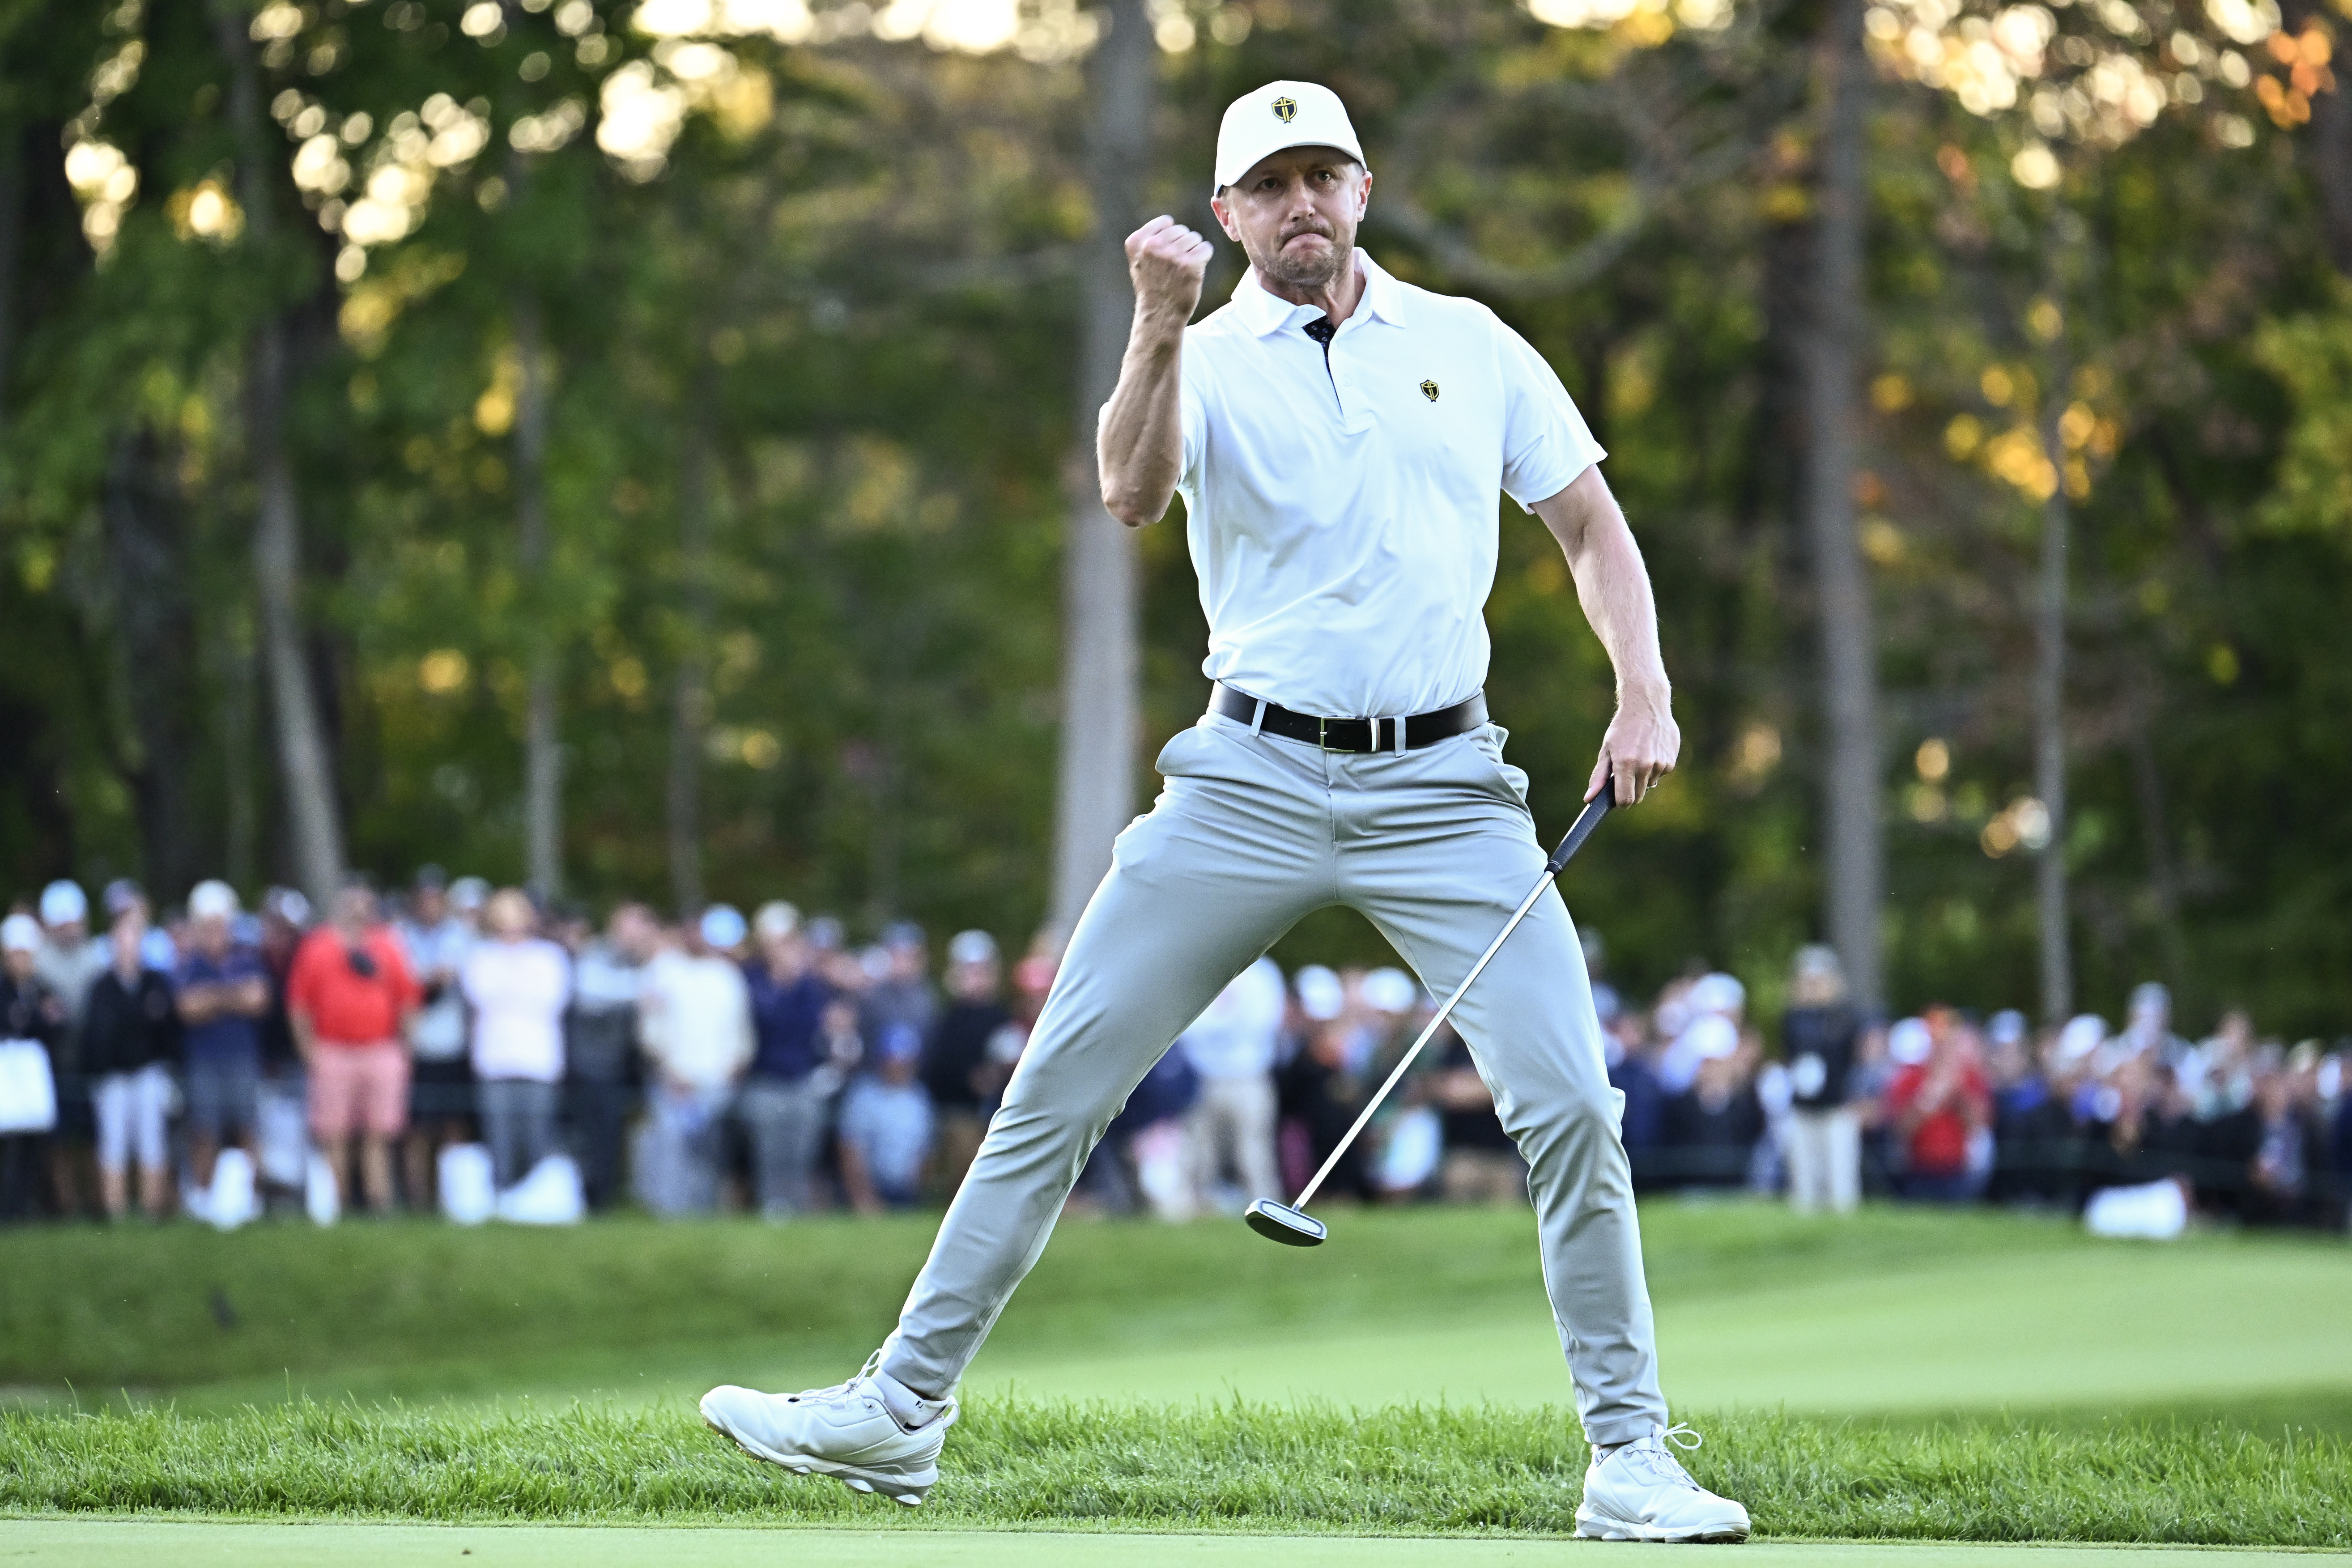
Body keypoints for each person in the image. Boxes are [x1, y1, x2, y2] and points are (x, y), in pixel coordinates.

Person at [699, 80, 1748, 1541]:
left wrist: (1641, 689)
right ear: (1225, 215)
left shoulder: (1469, 343)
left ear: (1361, 190)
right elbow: (1129, 492)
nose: (1299, 203)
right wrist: (1149, 321)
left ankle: (1628, 1456)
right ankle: (898, 1409)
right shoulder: (1188, 357)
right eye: (1268, 185)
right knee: (1052, 1087)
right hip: (1243, 780)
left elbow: (1586, 525)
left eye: (1321, 176)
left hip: (1445, 789)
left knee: (1573, 1101)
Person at [285, 883, 421, 1214]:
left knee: (379, 1133)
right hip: (332, 1051)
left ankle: (379, 1204)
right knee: (334, 1134)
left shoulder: (389, 946)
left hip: (380, 1050)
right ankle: (337, 1204)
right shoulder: (317, 947)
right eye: (352, 904)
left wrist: (404, 1049)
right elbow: (299, 1005)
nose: (359, 912)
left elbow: (408, 1000)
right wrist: (309, 1052)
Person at [634, 905, 753, 1215]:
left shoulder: (726, 975)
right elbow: (651, 1029)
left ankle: (706, 1210)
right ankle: (670, 1212)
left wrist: (735, 1065)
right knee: (673, 1149)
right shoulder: (664, 971)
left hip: (717, 1081)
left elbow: (740, 1029)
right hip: (676, 1080)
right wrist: (668, 1070)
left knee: (710, 1153)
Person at [460, 888, 571, 1189]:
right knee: (499, 1136)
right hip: (495, 1061)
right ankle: (501, 1198)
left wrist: (508, 993)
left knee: (536, 1135)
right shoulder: (481, 956)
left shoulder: (550, 957)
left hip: (538, 1061)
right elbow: (482, 996)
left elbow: (550, 999)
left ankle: (531, 1197)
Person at [740, 901, 841, 1218]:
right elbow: (764, 1022)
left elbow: (812, 1028)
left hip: (801, 1080)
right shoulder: (752, 979)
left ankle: (795, 1207)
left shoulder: (809, 985)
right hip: (764, 1079)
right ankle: (773, 1206)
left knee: (802, 1146)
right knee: (771, 1145)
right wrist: (784, 984)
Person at [81, 900, 179, 1219]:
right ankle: (117, 1214)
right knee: (114, 1146)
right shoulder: (102, 987)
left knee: (153, 1143)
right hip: (112, 1079)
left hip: (149, 1073)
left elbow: (166, 1030)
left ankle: (151, 1212)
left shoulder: (156, 983)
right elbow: (97, 1036)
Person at [172, 880, 271, 1193]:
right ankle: (204, 1200)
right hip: (204, 1059)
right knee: (204, 1131)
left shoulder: (247, 959)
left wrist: (212, 998)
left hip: (241, 1056)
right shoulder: (190, 964)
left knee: (248, 1128)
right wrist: (233, 997)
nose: (216, 932)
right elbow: (187, 1007)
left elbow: (259, 1000)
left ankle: (250, 1199)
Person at [1175, 954, 1286, 1213]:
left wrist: (1219, 1027)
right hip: (1202, 1076)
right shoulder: (1202, 965)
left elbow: (1264, 1022)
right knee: (1200, 1151)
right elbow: (1188, 1023)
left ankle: (1267, 1207)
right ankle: (1197, 1208)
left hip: (1249, 1076)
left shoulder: (1263, 973)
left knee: (1254, 1150)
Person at [397, 867, 476, 1210]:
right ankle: (419, 1198)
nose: (429, 904)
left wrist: (427, 979)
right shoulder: (400, 935)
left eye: (435, 898)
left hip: (453, 1045)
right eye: (424, 897)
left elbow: (457, 977)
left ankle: (453, 1199)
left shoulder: (462, 934)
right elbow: (411, 981)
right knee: (417, 1128)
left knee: (453, 1125)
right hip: (416, 1045)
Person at [567, 902, 653, 1211]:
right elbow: (589, 995)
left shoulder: (635, 961)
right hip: (591, 1067)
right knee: (594, 1139)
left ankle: (609, 1198)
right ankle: (592, 1202)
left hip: (619, 1068)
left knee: (613, 1138)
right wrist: (639, 991)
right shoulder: (596, 954)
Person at [918, 930, 1011, 1201]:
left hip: (1001, 1110)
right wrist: (972, 1082)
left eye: (982, 971)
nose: (976, 978)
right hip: (960, 1112)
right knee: (965, 1141)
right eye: (969, 971)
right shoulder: (947, 1020)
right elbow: (937, 1073)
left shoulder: (1002, 1017)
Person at [34, 880, 108, 1218]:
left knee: (95, 1137)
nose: (69, 928)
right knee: (58, 1140)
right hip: (53, 1062)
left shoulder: (97, 957)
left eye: (73, 921)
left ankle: (97, 1201)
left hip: (92, 1061)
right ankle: (65, 1204)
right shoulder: (37, 963)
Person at [1780, 945, 1862, 1215]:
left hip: (1836, 1109)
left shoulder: (1846, 1018)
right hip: (1803, 1110)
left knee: (1841, 1181)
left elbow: (1853, 1060)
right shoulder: (1793, 1018)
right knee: (1803, 1182)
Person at [1881, 1008, 1991, 1203]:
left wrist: (1958, 1093)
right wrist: (1928, 1098)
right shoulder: (1911, 1076)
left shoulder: (1969, 1076)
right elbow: (1900, 1129)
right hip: (1918, 1170)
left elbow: (1980, 1124)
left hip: (1958, 1170)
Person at [1, 914, 68, 1220]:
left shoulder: (41, 988)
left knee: (33, 1140)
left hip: (32, 1074)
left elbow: (56, 1024)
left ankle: (27, 1205)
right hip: (7, 1071)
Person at [838, 1023, 936, 1213]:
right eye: (893, 1060)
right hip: (872, 1189)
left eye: (905, 1061)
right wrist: (863, 1199)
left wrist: (920, 1192)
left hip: (908, 1193)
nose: (898, 1066)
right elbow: (849, 1149)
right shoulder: (863, 1096)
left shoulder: (920, 1097)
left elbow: (927, 1151)